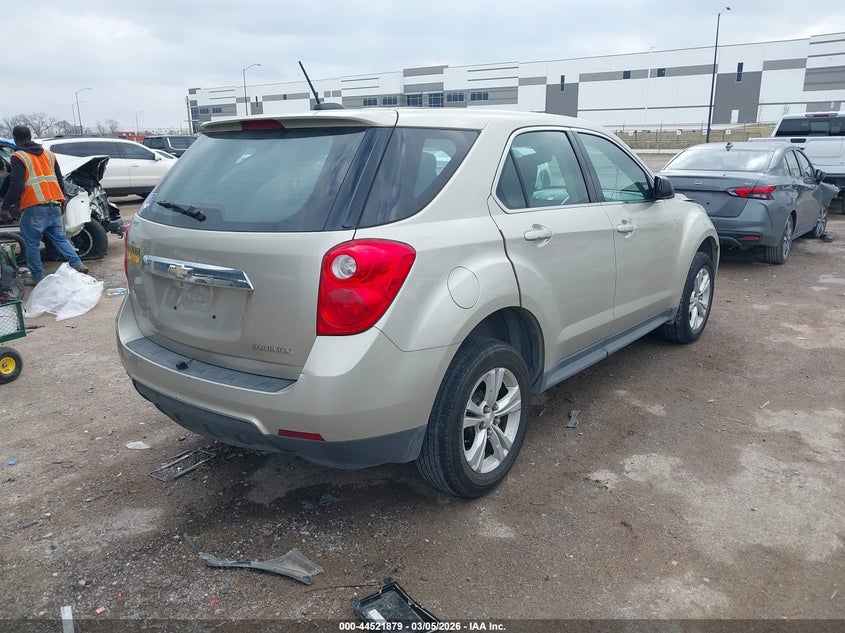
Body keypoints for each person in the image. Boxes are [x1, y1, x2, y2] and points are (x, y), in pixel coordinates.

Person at [0, 125, 89, 286]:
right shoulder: (49, 154)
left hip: (34, 206)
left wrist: (5, 206)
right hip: (54, 203)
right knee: (60, 239)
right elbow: (59, 179)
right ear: (30, 136)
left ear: (15, 139)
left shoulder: (18, 156)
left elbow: (17, 183)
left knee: (32, 244)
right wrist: (62, 201)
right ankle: (77, 264)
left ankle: (37, 276)